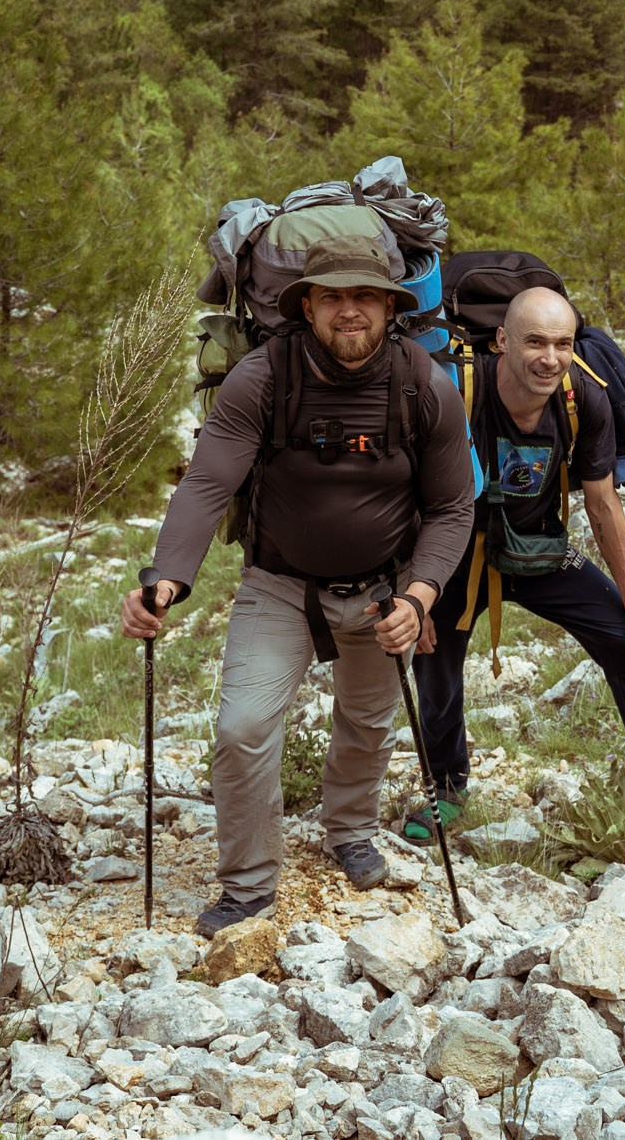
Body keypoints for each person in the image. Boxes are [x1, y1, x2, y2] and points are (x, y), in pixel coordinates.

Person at [122, 234, 475, 936]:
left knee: (368, 722)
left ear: (390, 306)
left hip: (385, 588)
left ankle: (349, 829)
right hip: (279, 584)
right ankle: (249, 886)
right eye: (334, 296)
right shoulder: (263, 376)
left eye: (365, 297)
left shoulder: (422, 383)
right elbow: (208, 481)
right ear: (307, 304)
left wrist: (421, 595)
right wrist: (167, 577)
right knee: (243, 727)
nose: (351, 312)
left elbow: (451, 507)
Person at [406, 285, 625, 856]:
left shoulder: (582, 396)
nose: (549, 357)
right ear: (501, 341)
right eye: (535, 342)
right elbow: (405, 493)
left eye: (562, 343)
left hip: (537, 547)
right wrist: (412, 595)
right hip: (452, 551)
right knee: (434, 664)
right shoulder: (455, 391)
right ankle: (446, 788)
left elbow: (602, 501)